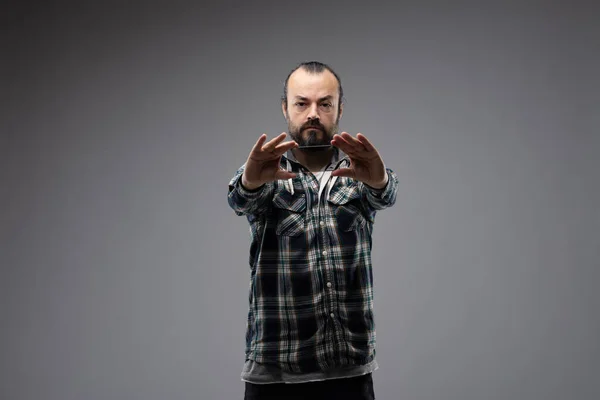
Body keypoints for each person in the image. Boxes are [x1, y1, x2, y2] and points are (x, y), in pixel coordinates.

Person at [227, 61, 399, 400]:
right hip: (275, 373)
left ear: (339, 108)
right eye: (302, 103)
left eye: (325, 103)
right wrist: (250, 180)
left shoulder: (359, 169)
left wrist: (377, 177)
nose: (313, 113)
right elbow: (240, 199)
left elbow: (386, 193)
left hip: (349, 369)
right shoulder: (266, 170)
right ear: (285, 108)